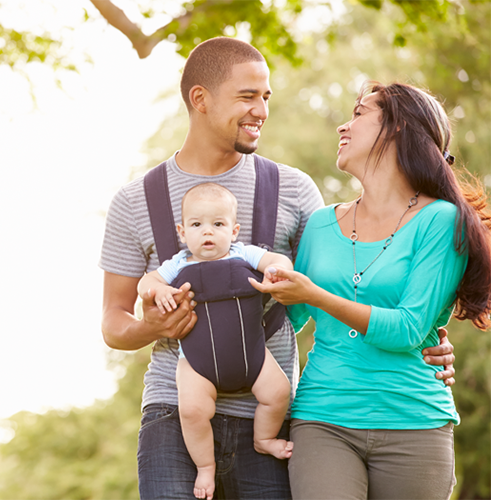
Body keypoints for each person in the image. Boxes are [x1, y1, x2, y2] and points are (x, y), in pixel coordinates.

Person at [99, 37, 456, 500]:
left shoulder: (294, 189)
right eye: (247, 96)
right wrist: (151, 326)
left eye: (266, 97)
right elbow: (113, 323)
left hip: (271, 416)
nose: (261, 110)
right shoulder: (134, 202)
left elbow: (334, 285)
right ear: (200, 99)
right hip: (176, 411)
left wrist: (427, 336)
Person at [250, 81, 491, 500]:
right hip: (322, 418)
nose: (344, 126)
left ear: (397, 128)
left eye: (360, 113)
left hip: (414, 422)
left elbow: (407, 331)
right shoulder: (322, 224)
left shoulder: (441, 221)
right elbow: (284, 322)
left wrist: (316, 295)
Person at [137, 182, 294, 500]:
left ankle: (264, 439)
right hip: (197, 364)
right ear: (182, 232)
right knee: (192, 410)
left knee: (279, 393)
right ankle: (205, 466)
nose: (207, 232)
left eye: (218, 224)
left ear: (234, 230)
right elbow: (146, 282)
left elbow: (277, 260)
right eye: (197, 225)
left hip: (253, 358)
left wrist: (277, 271)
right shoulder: (177, 264)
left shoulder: (244, 253)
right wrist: (159, 290)